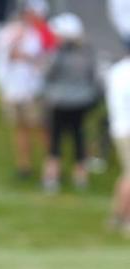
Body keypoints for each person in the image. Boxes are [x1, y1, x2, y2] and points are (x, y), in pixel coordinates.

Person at [0, 0, 55, 179]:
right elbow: (1, 57)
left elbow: (49, 59)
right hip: (13, 89)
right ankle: (24, 166)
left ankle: (50, 166)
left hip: (33, 90)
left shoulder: (43, 33)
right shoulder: (11, 32)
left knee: (42, 128)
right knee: (20, 128)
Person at [41, 12, 99, 193]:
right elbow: (93, 77)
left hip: (59, 102)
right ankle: (80, 177)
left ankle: (52, 177)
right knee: (79, 137)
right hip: (82, 101)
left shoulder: (58, 53)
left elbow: (47, 73)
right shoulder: (87, 52)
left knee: (56, 139)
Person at [106, 43, 130, 235]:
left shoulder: (116, 70)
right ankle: (125, 219)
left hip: (119, 128)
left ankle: (116, 216)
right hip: (127, 129)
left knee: (126, 174)